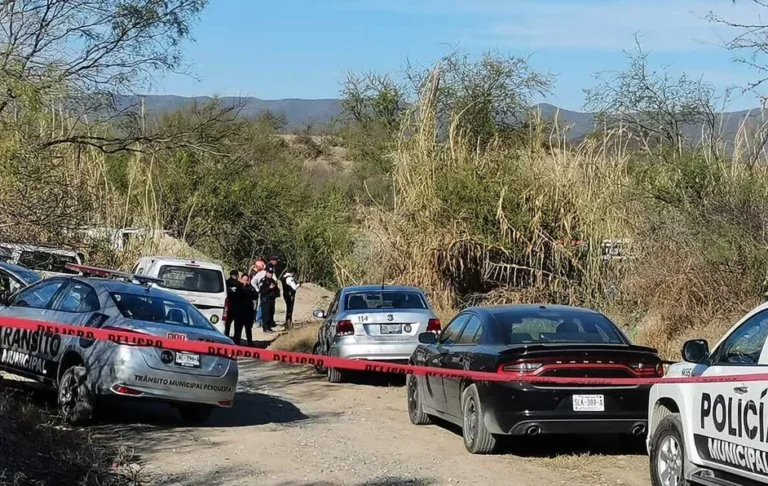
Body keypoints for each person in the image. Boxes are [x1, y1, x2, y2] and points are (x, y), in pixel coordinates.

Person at [232, 274, 257, 346]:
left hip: (248, 312)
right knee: (237, 329)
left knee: (248, 329)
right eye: (244, 280)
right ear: (241, 279)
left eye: (246, 280)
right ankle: (236, 343)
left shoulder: (251, 288)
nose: (245, 282)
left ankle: (250, 342)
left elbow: (254, 295)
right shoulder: (237, 288)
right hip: (239, 312)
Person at [259, 268, 280, 333]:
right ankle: (265, 328)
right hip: (265, 300)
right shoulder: (263, 280)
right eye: (269, 273)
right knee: (266, 314)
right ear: (266, 273)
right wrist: (269, 288)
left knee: (271, 313)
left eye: (271, 273)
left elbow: (276, 290)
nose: (270, 274)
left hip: (271, 300)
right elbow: (262, 291)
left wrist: (276, 294)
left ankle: (269, 327)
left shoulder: (273, 281)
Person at [224, 269, 242, 337]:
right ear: (237, 276)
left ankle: (226, 336)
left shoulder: (226, 283)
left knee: (227, 323)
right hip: (237, 306)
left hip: (228, 305)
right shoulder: (239, 284)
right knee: (237, 325)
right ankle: (236, 339)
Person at [251, 260, 267, 327]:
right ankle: (258, 320)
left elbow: (253, 282)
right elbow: (252, 281)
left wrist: (257, 289)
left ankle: (258, 321)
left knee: (259, 306)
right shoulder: (260, 273)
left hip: (259, 292)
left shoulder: (258, 273)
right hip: (261, 292)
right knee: (260, 306)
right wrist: (257, 289)